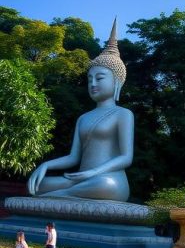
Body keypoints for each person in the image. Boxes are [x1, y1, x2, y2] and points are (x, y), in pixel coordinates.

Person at [26, 21, 136, 201]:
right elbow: (73, 158)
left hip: (107, 180)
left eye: (99, 78)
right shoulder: (83, 118)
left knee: (105, 186)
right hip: (78, 180)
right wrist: (46, 165)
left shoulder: (123, 114)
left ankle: (58, 196)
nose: (93, 84)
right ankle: (63, 195)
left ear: (117, 82)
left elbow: (126, 157)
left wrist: (94, 172)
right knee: (38, 184)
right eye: (89, 79)